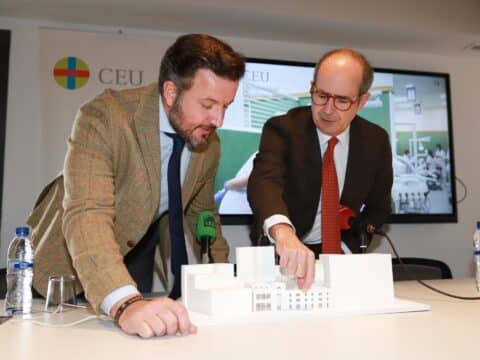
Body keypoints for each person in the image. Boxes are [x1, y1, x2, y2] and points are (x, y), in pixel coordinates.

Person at [26, 34, 245, 338]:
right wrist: (124, 301)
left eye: (226, 105)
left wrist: (224, 275)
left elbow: (203, 212)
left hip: (134, 259)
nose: (219, 119)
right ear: (171, 92)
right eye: (208, 104)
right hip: (60, 275)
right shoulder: (106, 116)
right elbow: (87, 212)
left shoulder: (208, 142)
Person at [247, 49, 393, 291]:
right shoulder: (283, 129)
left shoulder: (375, 140)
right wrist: (283, 234)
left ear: (362, 101)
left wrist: (345, 251)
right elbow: (265, 182)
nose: (327, 109)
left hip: (342, 257)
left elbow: (379, 207)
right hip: (283, 255)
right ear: (312, 87)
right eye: (322, 95)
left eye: (342, 100)